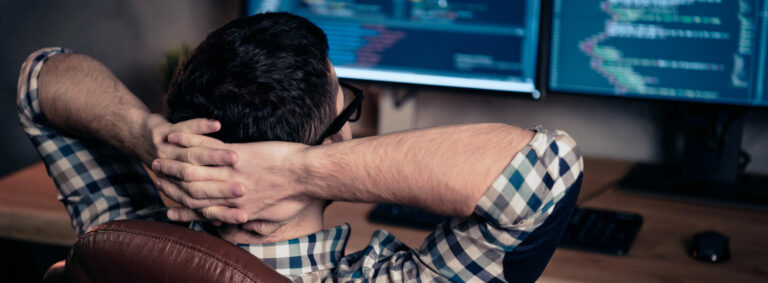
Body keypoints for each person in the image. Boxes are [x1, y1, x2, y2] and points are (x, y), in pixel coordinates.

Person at [18, 12, 583, 282]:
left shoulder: (121, 232)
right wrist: (307, 172)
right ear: (336, 138)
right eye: (345, 104)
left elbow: (40, 79)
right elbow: (549, 168)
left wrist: (146, 134)